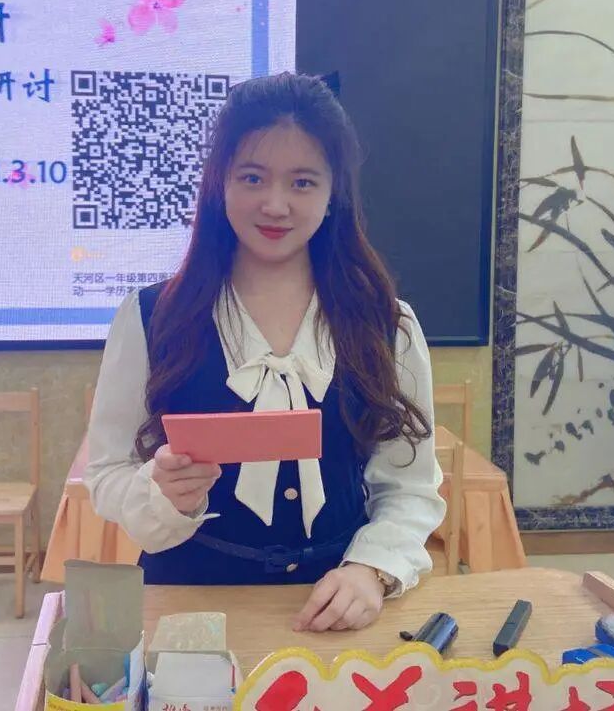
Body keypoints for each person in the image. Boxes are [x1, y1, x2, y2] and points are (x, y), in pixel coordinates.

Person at [85, 72, 445, 632]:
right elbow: (107, 472)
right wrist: (161, 494)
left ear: (333, 193)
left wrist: (371, 570)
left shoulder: (384, 322)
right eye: (252, 177)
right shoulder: (152, 316)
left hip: (335, 605)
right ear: (220, 183)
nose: (275, 204)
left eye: (302, 182)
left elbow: (409, 486)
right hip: (186, 602)